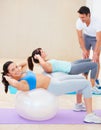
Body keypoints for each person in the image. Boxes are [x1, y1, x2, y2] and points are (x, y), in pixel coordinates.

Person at [1, 61, 101, 124]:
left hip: (53, 80)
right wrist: (7, 77)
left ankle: (79, 105)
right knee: (86, 84)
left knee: (81, 77)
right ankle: (89, 115)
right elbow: (15, 84)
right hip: (55, 87)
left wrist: (16, 68)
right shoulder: (21, 83)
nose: (17, 70)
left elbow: (24, 63)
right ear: (8, 73)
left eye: (15, 67)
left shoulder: (22, 73)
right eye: (12, 70)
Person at [27, 48, 101, 95]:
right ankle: (92, 86)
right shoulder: (45, 65)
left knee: (89, 60)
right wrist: (38, 57)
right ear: (40, 57)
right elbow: (43, 64)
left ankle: (86, 78)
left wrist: (39, 57)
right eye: (42, 52)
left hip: (71, 64)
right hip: (71, 69)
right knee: (94, 65)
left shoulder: (46, 61)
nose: (44, 52)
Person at [76, 6, 101, 86]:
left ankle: (95, 80)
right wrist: (84, 50)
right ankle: (84, 78)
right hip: (86, 36)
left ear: (88, 15)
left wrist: (96, 53)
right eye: (80, 17)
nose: (81, 19)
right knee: (85, 58)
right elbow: (80, 37)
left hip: (96, 38)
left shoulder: (97, 21)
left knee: (95, 59)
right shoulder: (79, 22)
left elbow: (98, 39)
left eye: (83, 17)